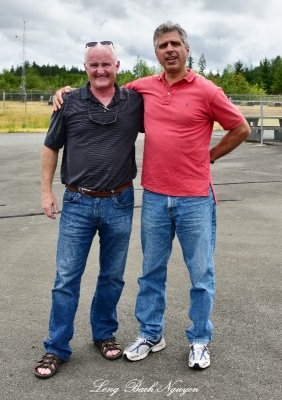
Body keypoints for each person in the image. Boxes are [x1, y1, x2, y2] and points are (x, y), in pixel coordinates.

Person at [53, 21, 250, 370]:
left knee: (200, 274)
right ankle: (150, 333)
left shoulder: (207, 91)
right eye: (162, 45)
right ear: (156, 53)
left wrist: (211, 155)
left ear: (187, 49)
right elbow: (102, 88)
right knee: (151, 272)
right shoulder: (142, 89)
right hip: (156, 196)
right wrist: (63, 92)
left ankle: (200, 339)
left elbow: (241, 127)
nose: (169, 49)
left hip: (194, 198)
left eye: (175, 43)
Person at [34, 41, 144, 379]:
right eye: (94, 65)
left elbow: (169, 104)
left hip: (119, 200)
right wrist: (46, 192)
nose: (100, 71)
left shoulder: (134, 102)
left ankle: (104, 333)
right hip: (78, 201)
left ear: (117, 66)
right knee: (66, 278)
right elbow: (51, 147)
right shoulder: (68, 101)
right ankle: (56, 347)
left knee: (112, 275)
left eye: (106, 65)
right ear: (85, 67)